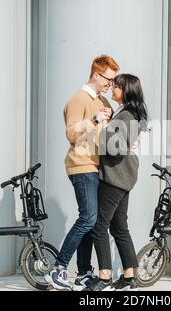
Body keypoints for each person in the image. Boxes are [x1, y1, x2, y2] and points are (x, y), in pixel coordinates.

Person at [45, 55, 119, 291]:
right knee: (87, 218)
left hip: (97, 166)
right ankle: (58, 268)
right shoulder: (78, 100)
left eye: (113, 80)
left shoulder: (103, 102)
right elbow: (72, 133)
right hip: (81, 165)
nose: (111, 84)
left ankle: (84, 272)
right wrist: (95, 119)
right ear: (96, 75)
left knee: (92, 221)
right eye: (108, 79)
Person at [84, 74, 149, 291]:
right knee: (120, 227)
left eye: (117, 87)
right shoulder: (127, 113)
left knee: (99, 226)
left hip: (115, 177)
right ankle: (129, 276)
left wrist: (103, 126)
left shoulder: (127, 116)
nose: (113, 89)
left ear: (127, 90)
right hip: (123, 177)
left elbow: (117, 147)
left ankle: (104, 277)